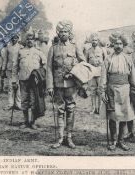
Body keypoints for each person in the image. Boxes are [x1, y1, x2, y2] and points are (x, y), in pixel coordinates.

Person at [46, 20, 85, 149]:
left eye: (66, 32)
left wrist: (73, 73)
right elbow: (49, 69)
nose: (63, 34)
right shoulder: (53, 48)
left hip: (71, 84)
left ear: (70, 33)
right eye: (61, 31)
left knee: (71, 109)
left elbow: (83, 63)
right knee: (59, 110)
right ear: (58, 33)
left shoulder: (75, 47)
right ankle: (60, 138)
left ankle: (69, 137)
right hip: (57, 85)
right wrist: (50, 86)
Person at [100, 31, 135, 151]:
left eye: (120, 44)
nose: (118, 46)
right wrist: (102, 91)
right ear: (112, 45)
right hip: (111, 89)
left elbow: (133, 76)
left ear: (124, 45)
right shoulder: (108, 59)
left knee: (124, 115)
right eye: (116, 44)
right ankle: (113, 140)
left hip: (125, 90)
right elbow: (103, 77)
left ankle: (121, 140)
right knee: (112, 115)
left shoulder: (128, 58)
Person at [12, 31, 47, 130]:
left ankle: (33, 122)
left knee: (33, 101)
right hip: (23, 80)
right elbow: (15, 67)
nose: (29, 41)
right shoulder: (20, 51)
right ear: (25, 40)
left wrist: (40, 75)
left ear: (34, 40)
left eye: (31, 39)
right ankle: (26, 121)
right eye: (27, 39)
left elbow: (45, 64)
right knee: (24, 100)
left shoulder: (38, 51)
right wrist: (14, 81)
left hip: (35, 81)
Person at [85, 33, 107, 115]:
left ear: (98, 41)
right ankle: (94, 108)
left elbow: (106, 61)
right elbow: (86, 62)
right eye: (93, 40)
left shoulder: (102, 50)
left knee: (100, 90)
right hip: (92, 72)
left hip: (100, 71)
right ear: (91, 41)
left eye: (96, 40)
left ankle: (100, 108)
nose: (94, 41)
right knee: (92, 91)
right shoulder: (88, 51)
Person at [1, 35, 22, 110]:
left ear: (18, 39)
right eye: (13, 38)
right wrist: (3, 70)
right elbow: (5, 59)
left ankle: (18, 104)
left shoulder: (20, 47)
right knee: (10, 87)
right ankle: (10, 104)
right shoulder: (8, 47)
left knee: (18, 87)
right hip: (9, 69)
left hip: (18, 69)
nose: (14, 39)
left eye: (16, 38)